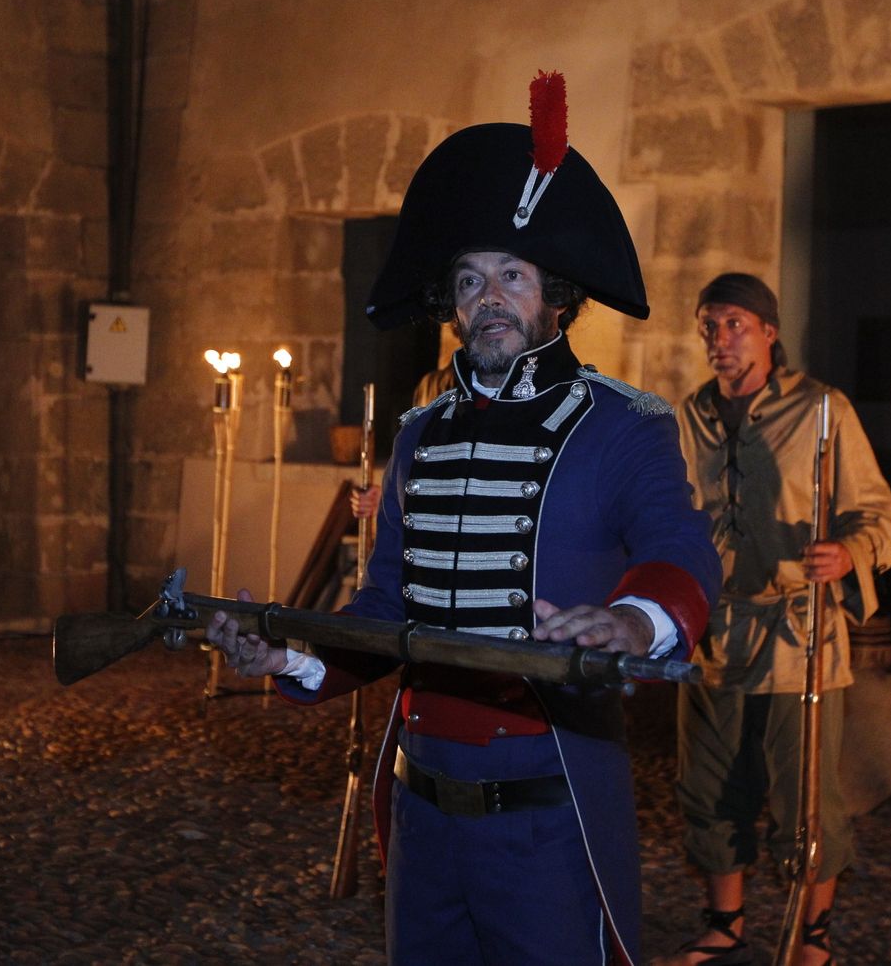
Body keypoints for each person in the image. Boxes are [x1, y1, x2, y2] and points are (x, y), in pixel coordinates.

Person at [206, 73, 721, 966]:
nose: (490, 296)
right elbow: (383, 611)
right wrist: (285, 651)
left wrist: (632, 622)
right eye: (470, 278)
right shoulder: (419, 434)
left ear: (555, 293)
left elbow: (683, 552)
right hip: (423, 821)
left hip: (547, 822)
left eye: (512, 275)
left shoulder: (623, 424)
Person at [657, 273, 891, 966]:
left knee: (805, 798)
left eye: (735, 324)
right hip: (713, 635)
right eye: (710, 326)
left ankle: (811, 936)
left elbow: (879, 516)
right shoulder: (690, 418)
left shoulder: (822, 410)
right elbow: (664, 513)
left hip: (800, 638)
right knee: (708, 786)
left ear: (769, 332)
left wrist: (848, 553)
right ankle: (724, 924)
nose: (720, 339)